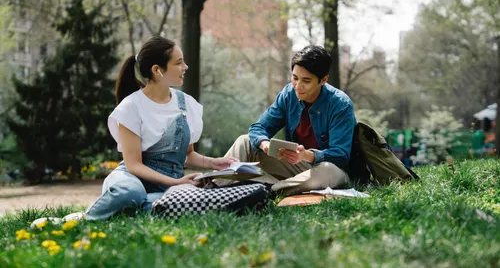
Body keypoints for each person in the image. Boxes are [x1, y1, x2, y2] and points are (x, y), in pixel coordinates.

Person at [59, 36, 236, 222]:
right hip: (131, 179)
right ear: (157, 70)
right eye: (179, 62)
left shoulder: (187, 105)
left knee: (168, 202)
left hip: (166, 187)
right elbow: (133, 165)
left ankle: (134, 210)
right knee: (131, 193)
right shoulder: (131, 107)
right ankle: (82, 219)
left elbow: (188, 155)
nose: (186, 67)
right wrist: (176, 182)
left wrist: (214, 163)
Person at [217, 45, 356, 195]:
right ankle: (212, 185)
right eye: (295, 78)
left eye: (306, 81)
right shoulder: (288, 94)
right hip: (296, 167)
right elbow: (258, 128)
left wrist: (307, 155)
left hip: (329, 170)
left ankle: (270, 189)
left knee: (328, 170)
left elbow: (341, 155)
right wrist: (265, 145)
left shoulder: (341, 104)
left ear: (323, 80)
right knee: (245, 141)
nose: (298, 86)